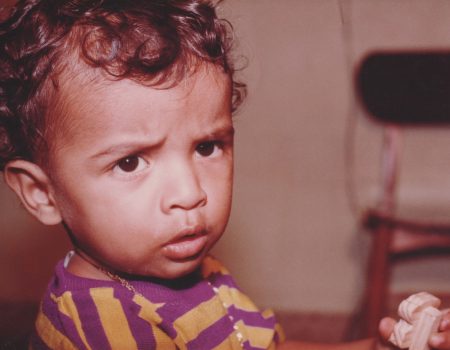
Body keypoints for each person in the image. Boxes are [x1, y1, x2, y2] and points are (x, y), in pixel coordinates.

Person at [0, 0, 449, 349]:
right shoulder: (103, 329)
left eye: (207, 147)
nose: (190, 193)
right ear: (41, 193)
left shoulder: (194, 274)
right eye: (131, 161)